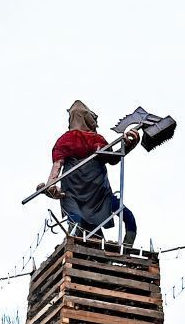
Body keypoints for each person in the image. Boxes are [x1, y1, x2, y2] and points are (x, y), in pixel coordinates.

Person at [45, 99, 136, 247]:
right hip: (74, 195)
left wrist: (128, 145)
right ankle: (76, 246)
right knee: (76, 226)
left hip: (99, 195)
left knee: (128, 217)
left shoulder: (95, 140)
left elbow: (112, 159)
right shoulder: (67, 140)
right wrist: (51, 185)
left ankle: (126, 246)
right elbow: (56, 168)